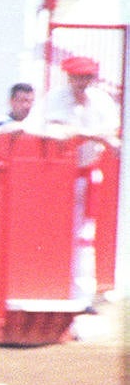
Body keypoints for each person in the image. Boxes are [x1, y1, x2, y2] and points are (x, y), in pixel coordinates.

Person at [45, 55, 122, 306]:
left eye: (86, 77)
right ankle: (55, 288)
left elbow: (111, 132)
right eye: (77, 77)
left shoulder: (101, 100)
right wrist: (94, 136)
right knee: (54, 233)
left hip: (86, 173)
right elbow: (59, 131)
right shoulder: (56, 98)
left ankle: (82, 296)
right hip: (55, 177)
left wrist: (91, 135)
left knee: (85, 235)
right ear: (69, 77)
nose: (81, 82)